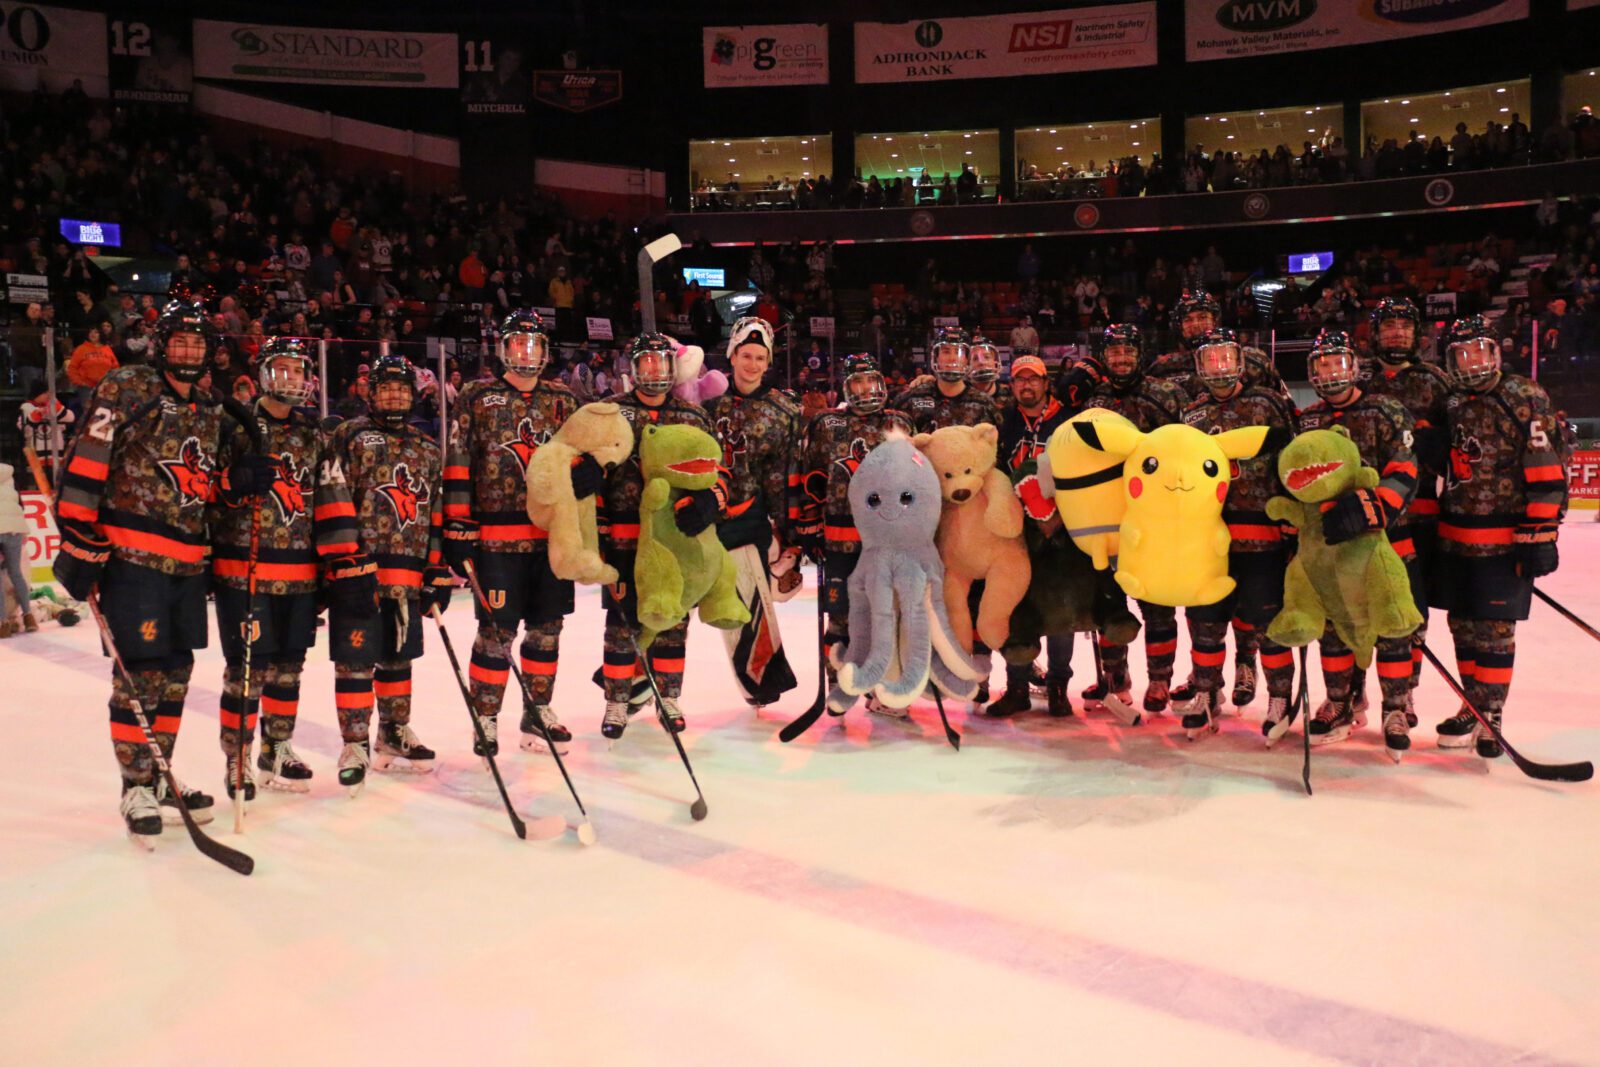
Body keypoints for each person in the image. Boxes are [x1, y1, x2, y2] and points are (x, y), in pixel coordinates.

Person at [52, 301, 271, 843]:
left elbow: (206, 489)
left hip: (186, 561)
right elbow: (90, 454)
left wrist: (238, 481)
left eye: (199, 343)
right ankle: (135, 785)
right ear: (161, 343)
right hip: (133, 558)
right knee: (140, 675)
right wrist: (79, 534)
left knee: (176, 671)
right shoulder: (128, 387)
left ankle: (160, 774)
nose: (190, 352)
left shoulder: (209, 408)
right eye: (181, 341)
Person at [210, 338, 360, 797]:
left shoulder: (314, 435)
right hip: (245, 571)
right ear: (263, 374)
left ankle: (277, 746)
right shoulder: (233, 426)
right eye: (284, 369)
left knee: (289, 668)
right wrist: (231, 484)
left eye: (299, 370)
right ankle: (237, 759)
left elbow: (332, 501)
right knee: (246, 671)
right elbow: (205, 494)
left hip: (299, 574)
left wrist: (342, 565)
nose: (293, 379)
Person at [443, 310, 579, 758]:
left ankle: (537, 711)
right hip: (496, 541)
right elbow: (458, 458)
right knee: (495, 632)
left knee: (547, 629)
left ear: (545, 351)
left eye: (534, 345)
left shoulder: (562, 398)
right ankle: (485, 716)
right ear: (502, 349)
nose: (526, 354)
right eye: (517, 344)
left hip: (550, 538)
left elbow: (581, 457)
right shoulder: (477, 395)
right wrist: (457, 525)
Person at [1432, 315, 1567, 759]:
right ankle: (1472, 704)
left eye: (1480, 350)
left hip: (1503, 541)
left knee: (1494, 633)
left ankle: (1492, 714)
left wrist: (1541, 533)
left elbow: (1547, 468)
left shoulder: (1523, 396)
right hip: (1454, 539)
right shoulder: (1450, 401)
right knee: (1462, 628)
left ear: (1495, 352)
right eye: (1462, 353)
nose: (1473, 361)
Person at [323, 355, 450, 793]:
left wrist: (435, 570)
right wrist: (337, 563)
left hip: (408, 571)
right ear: (369, 392)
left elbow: (434, 512)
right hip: (358, 569)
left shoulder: (426, 447)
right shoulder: (348, 435)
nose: (394, 395)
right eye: (385, 388)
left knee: (399, 655)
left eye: (401, 388)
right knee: (355, 659)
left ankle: (393, 732)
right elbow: (330, 497)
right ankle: (354, 741)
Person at [1296, 330, 1420, 753]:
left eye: (1338, 363)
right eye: (1322, 365)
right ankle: (1339, 701)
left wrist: (1370, 510)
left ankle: (1396, 706)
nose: (1331, 372)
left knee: (1391, 631)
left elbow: (1404, 470)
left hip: (1385, 544)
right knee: (1333, 629)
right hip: (1331, 550)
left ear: (1353, 366)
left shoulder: (1385, 409)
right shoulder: (1308, 418)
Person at [1177, 331, 1298, 741]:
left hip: (1262, 537)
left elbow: (1292, 463)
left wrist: (1294, 519)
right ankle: (1208, 692)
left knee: (1268, 623)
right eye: (1209, 360)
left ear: (1240, 361)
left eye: (1225, 358)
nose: (1218, 367)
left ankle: (1280, 697)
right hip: (1209, 539)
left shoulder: (1267, 403)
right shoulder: (1190, 414)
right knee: (1205, 621)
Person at [597, 334, 715, 740]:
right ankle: (617, 697)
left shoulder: (692, 415)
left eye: (661, 364)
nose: (654, 373)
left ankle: (668, 696)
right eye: (645, 364)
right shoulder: (609, 413)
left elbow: (718, 470)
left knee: (673, 620)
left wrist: (711, 501)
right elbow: (590, 477)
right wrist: (597, 535)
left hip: (672, 539)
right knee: (621, 622)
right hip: (624, 537)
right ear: (632, 369)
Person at [1079, 323, 1188, 723]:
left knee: (1156, 602)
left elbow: (1186, 449)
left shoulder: (1166, 393)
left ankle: (1159, 680)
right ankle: (1115, 677)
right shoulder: (1097, 399)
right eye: (1114, 352)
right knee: (1110, 602)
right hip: (1107, 517)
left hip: (1153, 517)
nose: (1121, 359)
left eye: (1128, 351)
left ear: (1140, 353)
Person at [793, 354, 914, 716]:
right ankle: (838, 685)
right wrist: (809, 526)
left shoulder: (900, 421)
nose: (865, 390)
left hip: (889, 540)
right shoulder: (827, 424)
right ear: (846, 388)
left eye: (871, 381)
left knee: (886, 615)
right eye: (857, 383)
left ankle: (884, 688)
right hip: (841, 538)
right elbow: (811, 476)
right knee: (842, 615)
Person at [1361, 298, 1454, 726]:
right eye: (1388, 325)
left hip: (1418, 518)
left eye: (1404, 325)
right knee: (1360, 607)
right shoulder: (1359, 378)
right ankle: (1353, 691)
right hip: (1364, 518)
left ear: (1418, 334)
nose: (1396, 332)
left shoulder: (1436, 380)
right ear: (1374, 333)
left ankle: (1404, 694)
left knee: (1409, 611)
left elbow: (1461, 445)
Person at [702, 317, 803, 710]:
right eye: (746, 354)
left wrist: (791, 534)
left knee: (749, 602)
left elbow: (784, 474)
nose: (753, 363)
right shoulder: (705, 404)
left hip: (751, 520)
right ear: (732, 355)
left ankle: (759, 679)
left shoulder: (783, 410)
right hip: (704, 518)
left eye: (761, 357)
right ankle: (647, 679)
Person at [986, 354, 1074, 717]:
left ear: (1045, 383)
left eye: (1033, 379)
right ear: (1012, 386)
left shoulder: (1067, 421)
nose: (1026, 385)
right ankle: (1017, 686)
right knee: (1014, 608)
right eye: (1019, 380)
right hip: (1015, 529)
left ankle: (1058, 686)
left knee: (1060, 610)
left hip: (1059, 528)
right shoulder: (1002, 422)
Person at [890, 328, 1000, 433]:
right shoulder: (910, 399)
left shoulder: (985, 404)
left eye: (958, 352)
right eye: (946, 352)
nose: (952, 358)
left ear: (967, 359)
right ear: (936, 357)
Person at [0, 461, 33, 636]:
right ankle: (28, 616)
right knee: (16, 573)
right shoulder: (9, 476)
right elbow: (20, 505)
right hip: (14, 529)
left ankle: (2, 623)